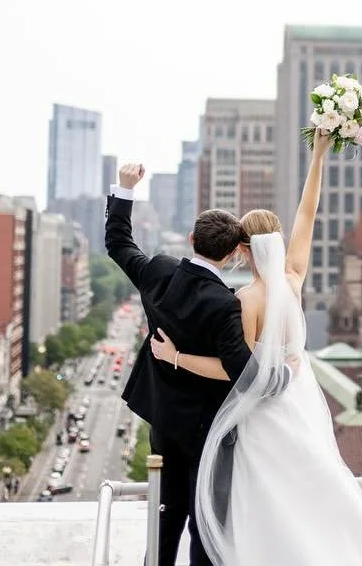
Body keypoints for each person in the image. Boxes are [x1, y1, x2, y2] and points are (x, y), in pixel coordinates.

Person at [150, 134, 362, 566]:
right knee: (310, 484)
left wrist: (174, 357)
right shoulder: (293, 280)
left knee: (262, 498)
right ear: (276, 238)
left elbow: (237, 372)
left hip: (262, 414)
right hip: (301, 402)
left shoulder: (246, 301)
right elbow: (308, 212)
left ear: (241, 250)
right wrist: (318, 155)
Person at [105, 162, 288, 566]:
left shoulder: (158, 272)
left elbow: (118, 243)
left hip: (163, 420)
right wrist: (284, 373)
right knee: (204, 520)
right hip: (206, 431)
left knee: (165, 514)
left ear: (191, 239)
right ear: (229, 255)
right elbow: (244, 371)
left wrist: (126, 188)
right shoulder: (225, 305)